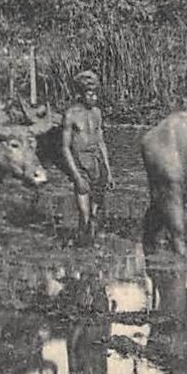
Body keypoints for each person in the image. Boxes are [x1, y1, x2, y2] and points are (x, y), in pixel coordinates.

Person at [60, 69, 113, 244]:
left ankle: (91, 242)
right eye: (89, 94)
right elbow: (65, 147)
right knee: (84, 213)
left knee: (95, 211)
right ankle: (81, 242)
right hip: (80, 164)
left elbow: (101, 142)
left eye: (95, 94)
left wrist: (109, 170)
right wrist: (75, 175)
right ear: (81, 95)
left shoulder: (97, 113)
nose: (93, 98)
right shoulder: (71, 115)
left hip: (97, 163)